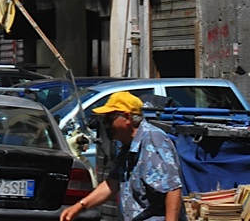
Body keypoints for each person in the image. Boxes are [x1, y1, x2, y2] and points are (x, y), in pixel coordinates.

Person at [59, 90, 183, 221]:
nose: (106, 125)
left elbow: (173, 189)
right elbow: (112, 184)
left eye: (109, 119)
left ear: (127, 118)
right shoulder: (127, 146)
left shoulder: (152, 140)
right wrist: (80, 206)